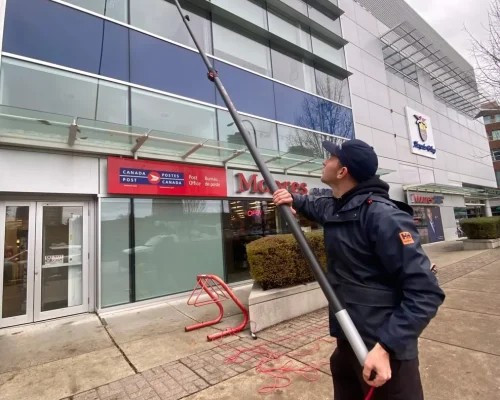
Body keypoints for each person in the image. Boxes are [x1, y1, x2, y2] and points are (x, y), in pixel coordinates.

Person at [272, 139, 445, 400]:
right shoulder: (339, 207)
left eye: (331, 158)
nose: (324, 161)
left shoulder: (384, 217)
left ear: (343, 172)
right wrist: (293, 198)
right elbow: (315, 205)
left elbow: (426, 293)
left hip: (383, 352)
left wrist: (386, 347)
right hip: (348, 340)